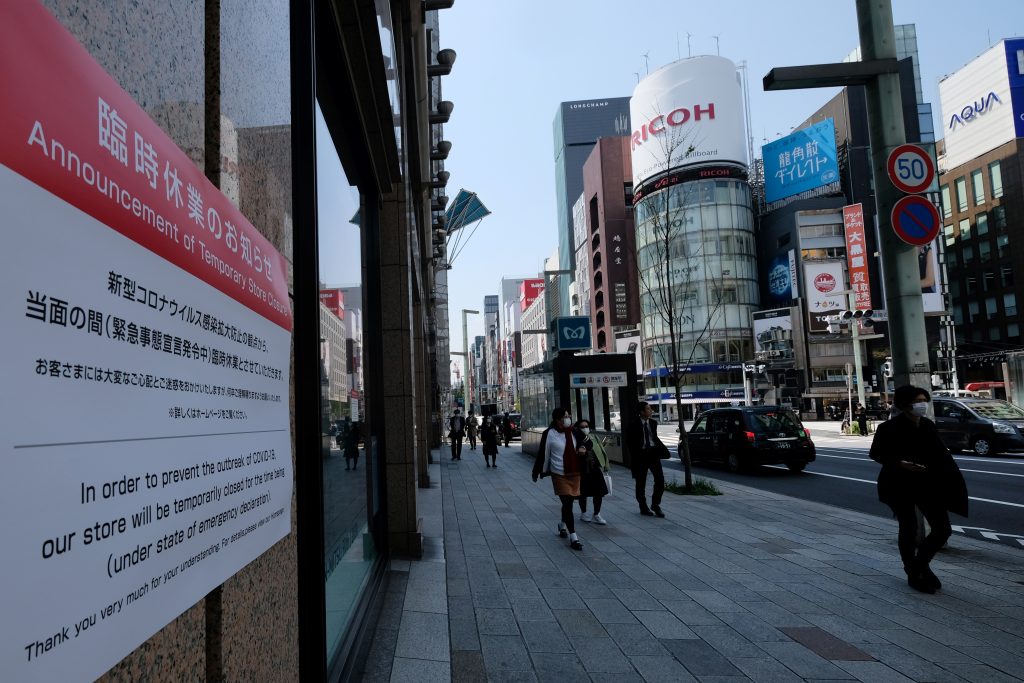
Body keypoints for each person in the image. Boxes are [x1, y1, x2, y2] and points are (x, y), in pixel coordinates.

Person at [869, 385, 968, 594]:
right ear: (905, 404)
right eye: (917, 401)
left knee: (943, 529)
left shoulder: (928, 426)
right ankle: (913, 573)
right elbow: (877, 453)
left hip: (927, 483)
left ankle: (919, 564)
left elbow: (939, 455)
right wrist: (900, 463)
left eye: (924, 399)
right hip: (898, 484)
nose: (921, 404)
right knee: (909, 527)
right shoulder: (888, 428)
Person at [532, 407, 586, 550]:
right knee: (567, 502)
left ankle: (562, 524)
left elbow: (587, 441)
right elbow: (542, 453)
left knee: (569, 502)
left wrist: (582, 447)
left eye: (569, 415)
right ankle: (573, 537)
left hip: (574, 472)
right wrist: (536, 471)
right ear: (558, 420)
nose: (568, 418)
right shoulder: (549, 434)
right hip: (559, 473)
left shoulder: (574, 431)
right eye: (565, 416)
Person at [627, 402, 667, 518]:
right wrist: (635, 457)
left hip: (653, 453)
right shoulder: (633, 425)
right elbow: (629, 443)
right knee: (641, 482)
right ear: (642, 412)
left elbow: (654, 437)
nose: (651, 411)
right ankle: (643, 506)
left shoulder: (653, 423)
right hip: (641, 455)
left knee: (660, 480)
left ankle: (655, 504)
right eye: (648, 409)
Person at [576, 418, 610, 525]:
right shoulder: (576, 438)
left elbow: (602, 451)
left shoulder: (594, 437)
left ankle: (597, 514)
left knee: (599, 492)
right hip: (582, 469)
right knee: (583, 492)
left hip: (595, 468)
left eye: (586, 426)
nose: (585, 428)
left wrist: (605, 465)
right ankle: (583, 513)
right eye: (582, 427)